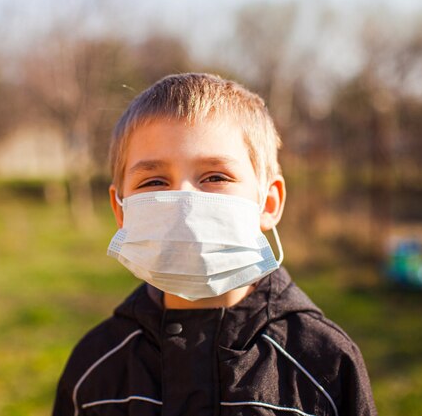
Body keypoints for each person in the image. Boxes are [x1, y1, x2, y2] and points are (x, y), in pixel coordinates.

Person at [52, 73, 377, 416]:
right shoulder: (95, 370)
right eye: (154, 181)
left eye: (215, 176)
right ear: (121, 210)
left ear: (268, 203)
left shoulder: (326, 365)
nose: (184, 202)